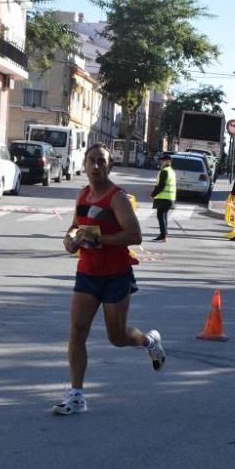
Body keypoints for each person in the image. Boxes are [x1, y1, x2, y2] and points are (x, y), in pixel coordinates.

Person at [56, 144, 165, 415]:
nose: (96, 166)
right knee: (77, 331)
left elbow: (135, 235)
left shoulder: (117, 198)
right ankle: (77, 394)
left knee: (117, 337)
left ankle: (149, 342)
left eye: (101, 162)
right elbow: (73, 227)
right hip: (87, 273)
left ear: (110, 166)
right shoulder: (82, 195)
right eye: (92, 161)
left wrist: (98, 239)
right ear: (84, 164)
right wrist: (70, 242)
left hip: (116, 274)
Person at [150, 156, 176, 242]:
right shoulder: (171, 171)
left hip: (164, 198)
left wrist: (153, 194)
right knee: (163, 216)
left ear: (168, 161)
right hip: (169, 198)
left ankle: (163, 235)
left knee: (160, 216)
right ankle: (164, 234)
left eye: (163, 160)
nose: (161, 162)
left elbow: (161, 185)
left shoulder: (165, 171)